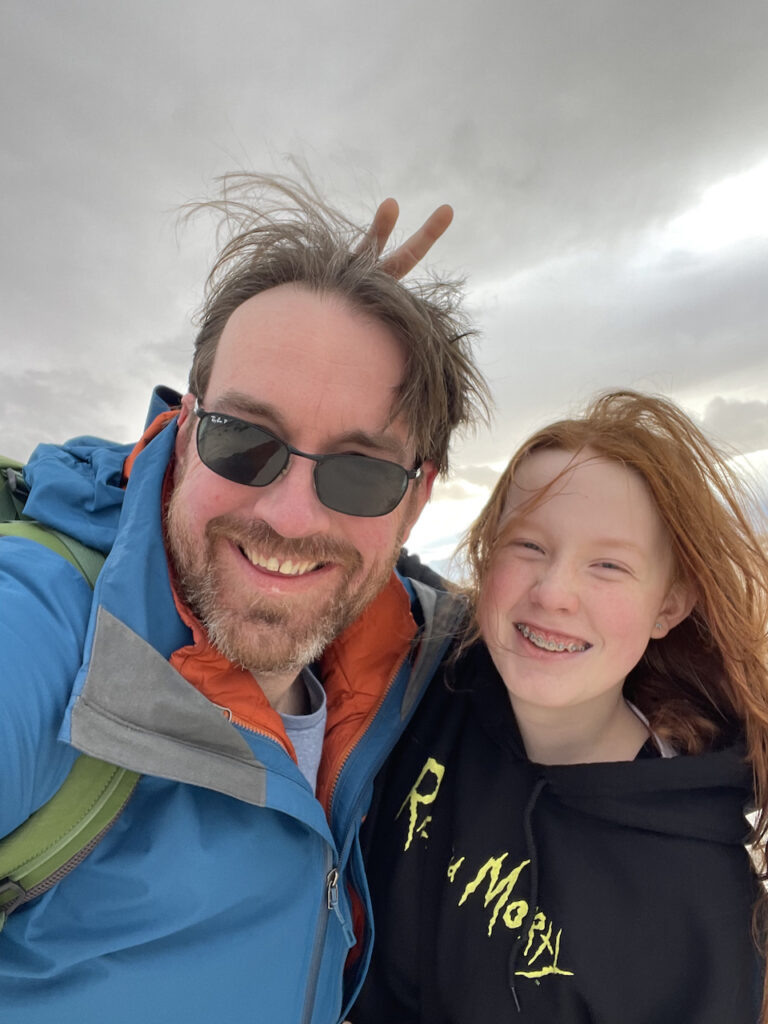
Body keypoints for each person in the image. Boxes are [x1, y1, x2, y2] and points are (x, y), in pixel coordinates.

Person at [0, 172, 488, 1023]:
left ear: (416, 500)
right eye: (242, 438)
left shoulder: (413, 665)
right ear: (182, 436)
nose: (289, 515)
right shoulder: (46, 634)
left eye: (360, 471)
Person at [354, 390, 768, 1024]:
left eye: (607, 565)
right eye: (528, 547)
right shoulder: (431, 678)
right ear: (487, 556)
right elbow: (339, 533)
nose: (553, 593)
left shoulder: (705, 904)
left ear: (670, 604)